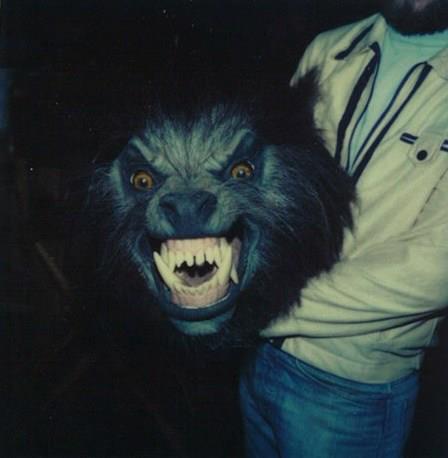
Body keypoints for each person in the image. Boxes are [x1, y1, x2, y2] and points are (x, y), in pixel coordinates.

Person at [239, 1, 448, 456]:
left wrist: (256, 305)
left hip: (351, 391)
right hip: (260, 361)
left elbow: (432, 271)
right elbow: (273, 186)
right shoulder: (330, 48)